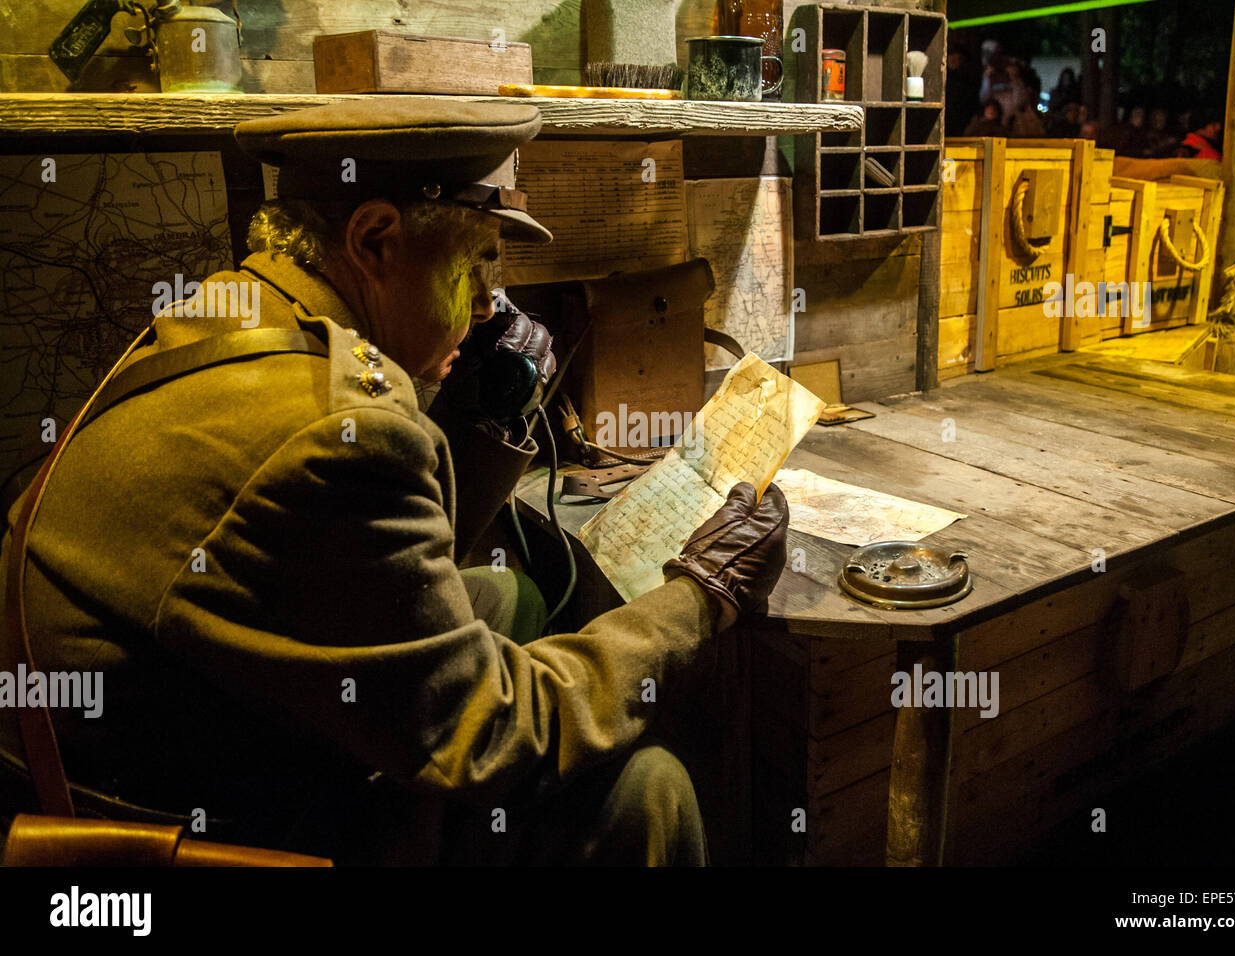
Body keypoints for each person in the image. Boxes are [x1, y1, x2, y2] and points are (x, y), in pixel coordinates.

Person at [0, 100, 790, 866]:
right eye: (476, 261)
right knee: (646, 790)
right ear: (375, 239)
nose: (487, 306)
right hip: (187, 818)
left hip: (153, 722)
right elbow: (486, 735)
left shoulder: (237, 311)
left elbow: (396, 559)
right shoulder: (330, 432)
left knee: (507, 599)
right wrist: (702, 591)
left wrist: (474, 407)